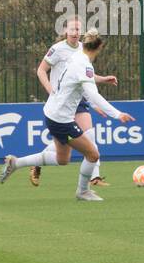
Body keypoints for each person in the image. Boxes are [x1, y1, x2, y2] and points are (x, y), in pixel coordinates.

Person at [0, 32, 136, 202]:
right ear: (100, 47)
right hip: (61, 119)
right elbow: (93, 95)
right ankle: (83, 191)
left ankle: (16, 163)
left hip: (52, 113)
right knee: (93, 154)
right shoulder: (84, 64)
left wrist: (101, 80)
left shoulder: (77, 56)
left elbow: (84, 77)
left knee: (62, 159)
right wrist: (118, 114)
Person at [30, 18, 117, 188]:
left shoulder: (81, 50)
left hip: (78, 98)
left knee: (89, 135)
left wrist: (104, 79)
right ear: (66, 31)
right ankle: (38, 162)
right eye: (73, 29)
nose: (76, 33)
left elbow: (86, 76)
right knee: (66, 143)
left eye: (78, 30)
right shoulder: (57, 49)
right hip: (61, 101)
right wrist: (50, 89)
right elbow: (41, 70)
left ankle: (95, 177)